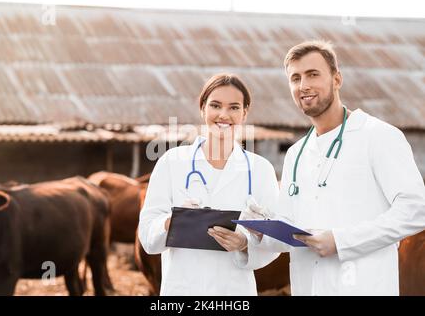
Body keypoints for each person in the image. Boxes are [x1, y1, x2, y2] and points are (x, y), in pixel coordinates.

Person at [249, 40, 425, 295]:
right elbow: (291, 228)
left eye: (313, 75)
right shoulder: (296, 154)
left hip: (363, 286)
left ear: (337, 79)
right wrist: (260, 230)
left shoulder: (379, 136)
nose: (303, 85)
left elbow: (416, 210)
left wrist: (342, 242)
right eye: (295, 78)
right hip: (308, 287)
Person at [138, 73, 280, 295]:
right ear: (203, 108)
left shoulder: (261, 170)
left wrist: (243, 243)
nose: (224, 115)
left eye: (234, 107)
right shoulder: (171, 162)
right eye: (215, 105)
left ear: (244, 113)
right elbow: (147, 237)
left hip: (234, 291)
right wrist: (171, 221)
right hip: (182, 289)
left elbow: (274, 239)